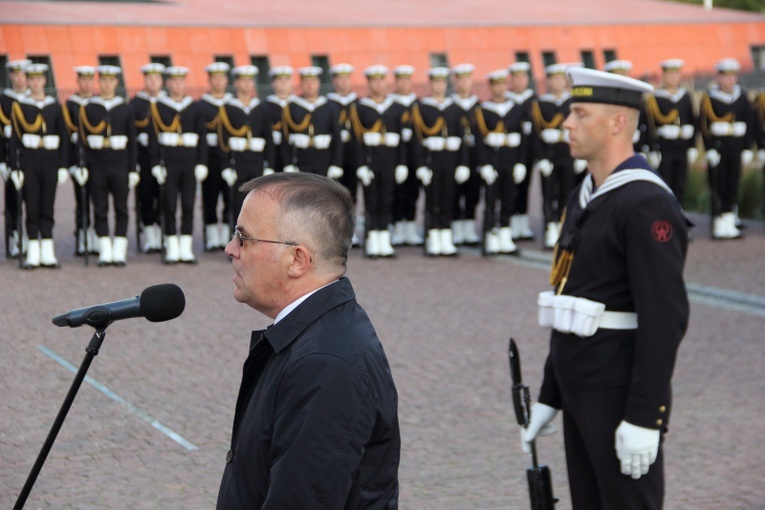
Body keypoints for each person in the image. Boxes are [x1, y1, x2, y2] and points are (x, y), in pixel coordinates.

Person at [523, 67, 690, 510]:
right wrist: (550, 394)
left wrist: (645, 416)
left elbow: (665, 318)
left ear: (618, 122)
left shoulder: (644, 202)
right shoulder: (588, 192)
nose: (567, 124)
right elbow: (571, 300)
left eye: (580, 113)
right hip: (581, 384)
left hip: (619, 390)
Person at [217, 172, 400, 509]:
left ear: (297, 259)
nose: (230, 249)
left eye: (244, 238)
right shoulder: (310, 336)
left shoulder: (325, 363)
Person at [8, 63, 69, 269]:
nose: (34, 83)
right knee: (31, 206)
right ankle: (33, 252)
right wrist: (14, 167)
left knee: (47, 206)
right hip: (29, 161)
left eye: (38, 79)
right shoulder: (21, 106)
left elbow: (64, 137)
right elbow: (14, 139)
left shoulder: (54, 106)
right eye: (31, 79)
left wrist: (63, 165)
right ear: (28, 81)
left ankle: (48, 252)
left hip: (50, 160)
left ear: (44, 81)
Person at [78, 65, 138, 267]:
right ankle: (105, 250)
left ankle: (119, 251)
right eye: (103, 80)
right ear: (99, 82)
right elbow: (83, 142)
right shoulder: (89, 108)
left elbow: (132, 141)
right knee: (100, 208)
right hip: (97, 165)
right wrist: (82, 165)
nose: (106, 84)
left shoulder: (125, 108)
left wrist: (132, 169)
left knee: (121, 208)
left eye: (110, 80)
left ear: (115, 83)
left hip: (120, 164)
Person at [148, 66, 208, 264]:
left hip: (189, 163)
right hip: (169, 164)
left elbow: (202, 138)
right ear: (168, 83)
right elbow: (153, 139)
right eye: (173, 81)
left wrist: (202, 163)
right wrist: (156, 163)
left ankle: (186, 248)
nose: (177, 85)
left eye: (180, 81)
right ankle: (172, 247)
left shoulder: (195, 107)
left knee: (189, 205)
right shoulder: (158, 107)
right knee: (170, 206)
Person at [350, 65, 408, 258]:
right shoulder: (359, 108)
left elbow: (403, 140)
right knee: (372, 202)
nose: (378, 84)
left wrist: (402, 163)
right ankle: (372, 240)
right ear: (368, 83)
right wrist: (360, 166)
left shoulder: (396, 108)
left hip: (389, 162)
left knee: (387, 201)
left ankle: (384, 240)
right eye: (374, 80)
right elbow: (356, 140)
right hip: (371, 163)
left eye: (381, 80)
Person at [411, 67, 469, 256]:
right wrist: (420, 165)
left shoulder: (455, 109)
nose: (439, 86)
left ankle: (446, 237)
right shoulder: (422, 108)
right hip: (432, 160)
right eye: (435, 82)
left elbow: (463, 140)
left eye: (442, 82)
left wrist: (463, 163)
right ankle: (433, 238)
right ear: (431, 84)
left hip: (450, 160)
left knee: (448, 199)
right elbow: (417, 140)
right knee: (432, 200)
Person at [699, 57, 754, 239]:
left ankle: (729, 223)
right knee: (718, 185)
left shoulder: (742, 97)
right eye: (726, 77)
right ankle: (719, 224)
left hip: (736, 147)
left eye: (733, 77)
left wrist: (747, 148)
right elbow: (704, 125)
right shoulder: (709, 98)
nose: (729, 81)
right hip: (719, 147)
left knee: (733, 183)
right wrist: (709, 149)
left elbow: (750, 123)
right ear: (719, 78)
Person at [218, 64, 276, 235]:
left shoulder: (262, 108)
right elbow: (223, 140)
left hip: (257, 162)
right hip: (238, 162)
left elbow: (269, 140)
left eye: (249, 80)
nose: (246, 84)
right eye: (242, 80)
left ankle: (256, 240)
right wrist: (225, 166)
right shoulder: (228, 108)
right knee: (237, 204)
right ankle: (237, 240)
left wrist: (269, 165)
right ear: (235, 83)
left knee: (259, 204)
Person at [474, 69, 526, 256]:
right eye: (496, 84)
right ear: (491, 87)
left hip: (510, 160)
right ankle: (490, 237)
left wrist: (521, 162)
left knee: (508, 199)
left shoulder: (516, 109)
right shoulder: (482, 110)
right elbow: (479, 141)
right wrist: (484, 164)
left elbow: (523, 138)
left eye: (503, 84)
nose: (500, 88)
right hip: (493, 161)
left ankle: (505, 236)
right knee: (490, 201)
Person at [532, 64, 577, 249]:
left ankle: (565, 226)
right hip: (550, 155)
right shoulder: (541, 104)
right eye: (553, 79)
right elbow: (536, 134)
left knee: (568, 193)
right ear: (548, 82)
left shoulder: (572, 103)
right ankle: (550, 227)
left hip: (568, 154)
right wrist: (541, 157)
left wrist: (580, 155)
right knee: (549, 193)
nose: (557, 83)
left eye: (560, 79)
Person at [644, 59, 698, 205]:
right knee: (665, 182)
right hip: (664, 146)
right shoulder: (655, 98)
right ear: (664, 76)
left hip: (682, 145)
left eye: (676, 74)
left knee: (681, 182)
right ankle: (666, 215)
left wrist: (692, 146)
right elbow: (650, 126)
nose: (673, 78)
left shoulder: (685, 97)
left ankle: (679, 213)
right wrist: (653, 148)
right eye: (670, 75)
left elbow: (693, 121)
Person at [280, 66, 343, 178]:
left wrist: (336, 163)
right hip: (300, 160)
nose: (310, 85)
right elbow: (285, 138)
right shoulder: (291, 107)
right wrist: (288, 163)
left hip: (324, 160)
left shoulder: (330, 107)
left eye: (313, 81)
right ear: (301, 84)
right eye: (306, 81)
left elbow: (337, 138)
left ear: (319, 83)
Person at [198, 61, 233, 251]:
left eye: (221, 77)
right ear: (209, 81)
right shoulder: (202, 105)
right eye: (214, 78)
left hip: (230, 157)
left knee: (230, 197)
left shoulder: (232, 103)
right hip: (210, 157)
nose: (218, 81)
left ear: (226, 80)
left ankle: (228, 234)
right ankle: (212, 236)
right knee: (210, 197)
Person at [63, 65, 97, 256]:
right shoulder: (71, 105)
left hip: (98, 160)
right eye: (83, 80)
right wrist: (71, 165)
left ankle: (96, 236)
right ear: (78, 81)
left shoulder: (98, 103)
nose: (86, 84)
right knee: (82, 202)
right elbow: (67, 138)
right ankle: (82, 235)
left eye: (89, 80)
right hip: (79, 160)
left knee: (99, 202)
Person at [132, 62, 166, 253]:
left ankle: (162, 233)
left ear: (161, 81)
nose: (152, 82)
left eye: (156, 78)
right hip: (144, 158)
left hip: (165, 156)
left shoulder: (166, 102)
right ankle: (150, 236)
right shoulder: (137, 103)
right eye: (149, 78)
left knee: (164, 197)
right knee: (145, 196)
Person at [450, 63, 482, 246]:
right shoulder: (451, 105)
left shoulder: (477, 106)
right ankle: (456, 227)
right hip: (455, 157)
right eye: (461, 78)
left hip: (474, 156)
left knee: (473, 193)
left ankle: (469, 228)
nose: (464, 82)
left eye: (467, 78)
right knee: (455, 193)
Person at [1, 59, 31, 259]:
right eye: (16, 74)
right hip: (11, 158)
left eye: (23, 75)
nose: (19, 79)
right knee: (13, 200)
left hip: (31, 157)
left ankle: (32, 237)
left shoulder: (34, 99)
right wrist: (2, 161)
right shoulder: (4, 101)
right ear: (11, 76)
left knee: (33, 200)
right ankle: (15, 236)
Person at [506, 61, 538, 241]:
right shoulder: (508, 99)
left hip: (529, 151)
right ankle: (510, 221)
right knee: (510, 187)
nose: (520, 81)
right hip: (511, 152)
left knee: (525, 186)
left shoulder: (533, 100)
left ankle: (522, 222)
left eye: (523, 77)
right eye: (516, 77)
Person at [327, 63, 360, 205]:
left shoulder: (358, 103)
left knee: (352, 191)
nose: (344, 82)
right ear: (334, 81)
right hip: (333, 153)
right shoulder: (327, 104)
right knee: (333, 192)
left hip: (353, 151)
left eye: (347, 78)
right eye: (340, 78)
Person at [264, 66, 294, 172]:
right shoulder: (265, 106)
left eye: (286, 79)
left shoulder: (297, 105)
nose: (283, 82)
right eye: (279, 79)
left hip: (295, 153)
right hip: (274, 152)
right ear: (272, 83)